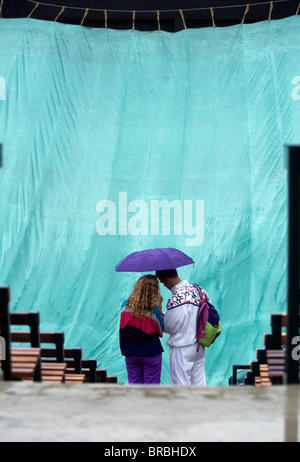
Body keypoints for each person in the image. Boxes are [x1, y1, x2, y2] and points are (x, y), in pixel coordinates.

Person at [155, 269, 206, 386]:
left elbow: (167, 326)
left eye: (163, 283)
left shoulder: (176, 299)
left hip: (182, 347)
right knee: (199, 384)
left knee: (181, 386)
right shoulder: (200, 291)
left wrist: (159, 307)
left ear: (167, 280)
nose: (165, 286)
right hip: (199, 344)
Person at [119, 274, 164, 385]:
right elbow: (161, 330)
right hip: (151, 353)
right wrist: (159, 305)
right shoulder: (154, 309)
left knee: (135, 388)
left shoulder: (125, 305)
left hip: (131, 352)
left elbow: (122, 328)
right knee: (151, 392)